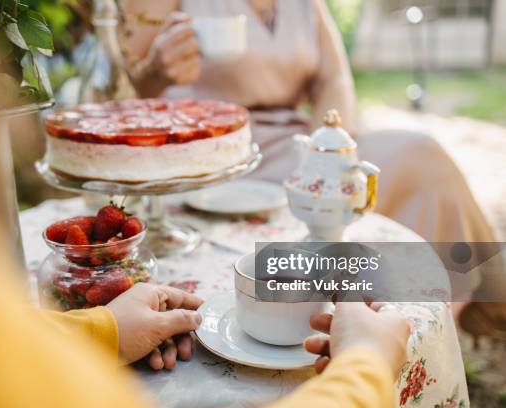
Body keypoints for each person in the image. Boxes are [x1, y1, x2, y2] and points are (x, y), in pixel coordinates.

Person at [0, 1, 413, 406]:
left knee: (421, 158)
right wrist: (367, 360)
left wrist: (106, 330)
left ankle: (482, 301)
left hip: (284, 140)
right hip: (193, 137)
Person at [118, 0, 506, 336]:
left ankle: (431, 316)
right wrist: (157, 71)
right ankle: (487, 303)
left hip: (302, 143)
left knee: (422, 155)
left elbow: (334, 76)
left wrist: (327, 152)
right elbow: (124, 90)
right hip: (215, 158)